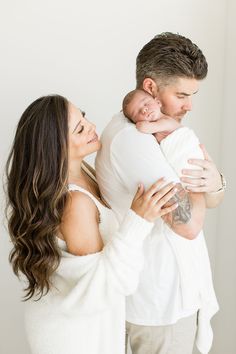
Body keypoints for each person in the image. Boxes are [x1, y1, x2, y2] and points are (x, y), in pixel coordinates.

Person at [5, 95, 179, 354]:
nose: (91, 126)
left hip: (77, 325)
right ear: (56, 147)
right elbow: (102, 287)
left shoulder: (84, 171)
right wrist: (139, 220)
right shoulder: (75, 203)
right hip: (73, 339)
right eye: (80, 128)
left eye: (83, 117)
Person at [95, 32, 226, 354]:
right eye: (181, 94)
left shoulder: (163, 134)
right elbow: (189, 226)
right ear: (151, 87)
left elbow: (214, 196)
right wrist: (197, 167)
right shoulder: (135, 141)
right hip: (159, 303)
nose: (189, 105)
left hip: (173, 295)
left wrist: (216, 181)